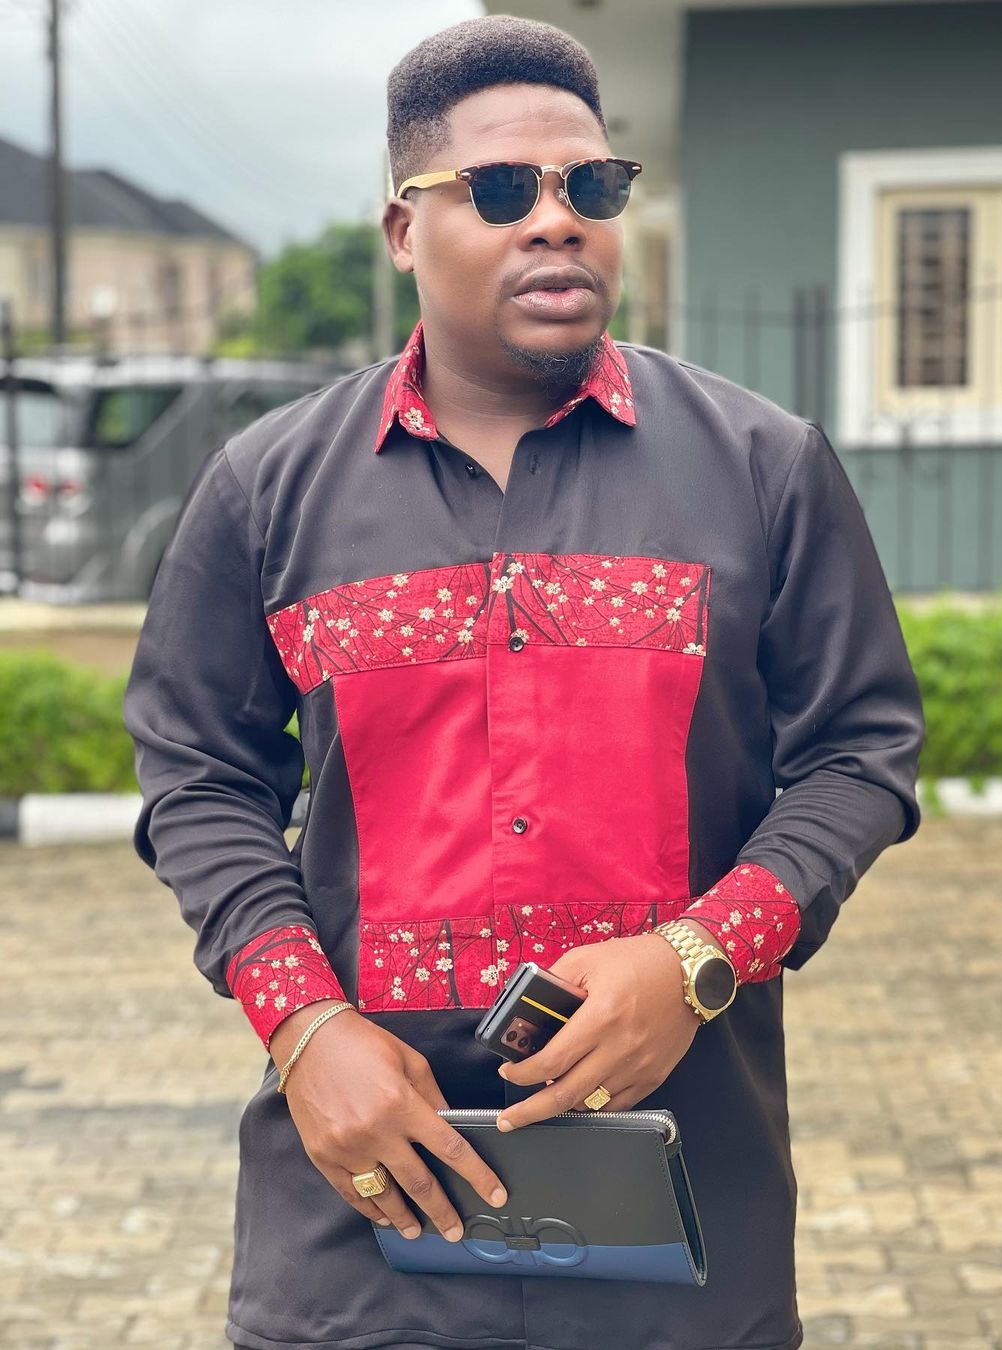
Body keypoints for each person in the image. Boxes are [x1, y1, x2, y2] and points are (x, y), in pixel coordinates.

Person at [123, 14, 925, 1350]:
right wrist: (305, 1025)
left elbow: (860, 754)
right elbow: (199, 775)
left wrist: (695, 960)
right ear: (404, 229)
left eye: (590, 186)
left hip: (688, 1222)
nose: (557, 220)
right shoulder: (268, 489)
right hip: (358, 1230)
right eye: (501, 189)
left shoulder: (761, 466)